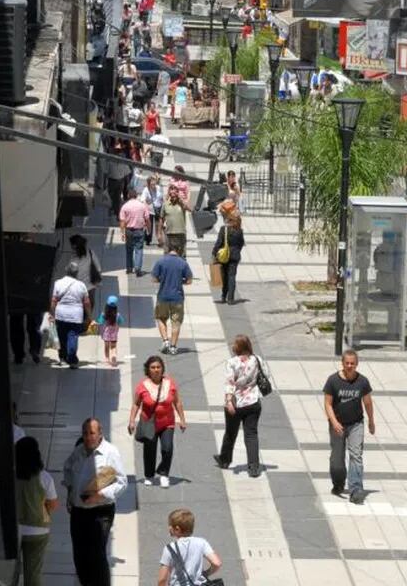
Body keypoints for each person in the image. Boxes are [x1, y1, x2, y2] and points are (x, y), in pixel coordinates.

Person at [62, 417, 128, 585]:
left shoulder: (110, 452)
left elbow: (122, 482)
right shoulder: (79, 450)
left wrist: (102, 494)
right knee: (79, 552)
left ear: (100, 433)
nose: (88, 437)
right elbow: (67, 468)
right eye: (85, 433)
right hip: (78, 510)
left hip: (100, 512)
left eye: (92, 433)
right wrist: (70, 491)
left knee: (97, 554)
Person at [323, 350, 375, 504]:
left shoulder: (363, 382)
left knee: (356, 455)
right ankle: (338, 483)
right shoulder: (333, 381)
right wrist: (334, 422)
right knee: (337, 460)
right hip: (337, 425)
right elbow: (327, 404)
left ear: (357, 364)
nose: (350, 366)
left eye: (353, 363)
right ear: (342, 363)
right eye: (347, 363)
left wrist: (371, 421)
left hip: (356, 424)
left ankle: (356, 489)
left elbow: (368, 403)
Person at [128, 356, 186, 488]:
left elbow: (177, 402)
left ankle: (164, 474)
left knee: (167, 448)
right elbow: (136, 404)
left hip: (167, 423)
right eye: (153, 367)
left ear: (162, 369)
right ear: (148, 370)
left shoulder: (170, 383)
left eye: (158, 367)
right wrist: (132, 421)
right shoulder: (142, 386)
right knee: (150, 450)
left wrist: (182, 419)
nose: (156, 370)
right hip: (149, 423)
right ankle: (149, 475)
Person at [214, 335, 266, 478]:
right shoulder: (257, 359)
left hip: (236, 403)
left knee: (231, 433)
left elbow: (230, 383)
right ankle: (254, 467)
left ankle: (225, 460)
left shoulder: (232, 362)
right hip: (253, 402)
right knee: (251, 434)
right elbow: (264, 375)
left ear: (238, 347)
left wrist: (229, 401)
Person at [15, 436, 58, 586]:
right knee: (33, 574)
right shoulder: (44, 477)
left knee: (11, 571)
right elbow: (53, 504)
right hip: (38, 531)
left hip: (14, 530)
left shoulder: (10, 475)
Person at [158, 509, 222, 586]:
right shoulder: (201, 542)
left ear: (177, 529)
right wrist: (205, 574)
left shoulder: (169, 549)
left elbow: (162, 579)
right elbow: (217, 563)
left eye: (170, 525)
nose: (169, 528)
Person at [151, 247, 193, 355]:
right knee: (176, 323)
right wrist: (180, 281)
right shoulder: (183, 263)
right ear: (178, 251)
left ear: (167, 251)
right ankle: (173, 347)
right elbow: (189, 281)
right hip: (177, 298)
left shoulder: (161, 261)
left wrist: (162, 280)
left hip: (163, 296)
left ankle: (165, 341)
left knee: (160, 318)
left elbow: (154, 279)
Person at [50, 262, 91, 369]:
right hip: (75, 316)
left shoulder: (58, 283)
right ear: (76, 273)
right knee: (72, 337)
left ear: (66, 271)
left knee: (61, 337)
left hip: (61, 315)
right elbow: (86, 302)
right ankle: (72, 359)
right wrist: (89, 316)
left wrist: (52, 314)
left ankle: (62, 358)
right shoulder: (81, 285)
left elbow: (54, 300)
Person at [212, 207, 245, 304]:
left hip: (224, 256)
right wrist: (237, 251)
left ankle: (223, 296)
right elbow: (241, 243)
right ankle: (230, 298)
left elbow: (219, 242)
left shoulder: (224, 229)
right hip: (235, 256)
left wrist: (214, 253)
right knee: (232, 277)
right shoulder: (239, 231)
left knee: (224, 276)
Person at [119, 188, 151, 276]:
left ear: (128, 196)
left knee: (129, 250)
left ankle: (129, 268)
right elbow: (147, 219)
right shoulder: (142, 206)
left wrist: (122, 233)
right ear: (136, 196)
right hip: (139, 230)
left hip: (128, 231)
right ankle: (137, 268)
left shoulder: (125, 206)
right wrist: (149, 229)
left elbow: (122, 221)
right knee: (139, 249)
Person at [70, 234, 103, 310]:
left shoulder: (74, 258)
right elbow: (98, 268)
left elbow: (71, 273)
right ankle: (87, 320)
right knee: (89, 307)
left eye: (72, 246)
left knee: (80, 309)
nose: (72, 248)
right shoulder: (90, 253)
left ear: (75, 246)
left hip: (79, 289)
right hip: (90, 287)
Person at [96, 296, 124, 367]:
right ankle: (114, 357)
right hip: (114, 334)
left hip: (106, 334)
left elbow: (100, 322)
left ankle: (107, 359)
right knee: (113, 347)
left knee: (106, 346)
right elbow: (121, 322)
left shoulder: (104, 315)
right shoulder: (118, 315)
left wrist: (95, 323)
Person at [161, 188, 189, 258]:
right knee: (167, 254)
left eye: (175, 194)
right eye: (171, 195)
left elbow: (190, 209)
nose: (173, 197)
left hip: (180, 233)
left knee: (181, 255)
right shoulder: (165, 204)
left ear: (177, 194)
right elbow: (161, 218)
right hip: (169, 233)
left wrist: (181, 199)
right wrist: (159, 233)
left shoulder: (181, 204)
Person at [140, 176, 164, 246]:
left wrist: (163, 204)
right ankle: (148, 239)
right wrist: (146, 206)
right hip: (150, 210)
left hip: (158, 209)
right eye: (152, 184)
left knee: (158, 226)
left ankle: (159, 240)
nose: (154, 186)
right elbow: (142, 200)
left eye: (154, 183)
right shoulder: (146, 190)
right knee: (149, 226)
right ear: (148, 184)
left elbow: (161, 197)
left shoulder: (158, 188)